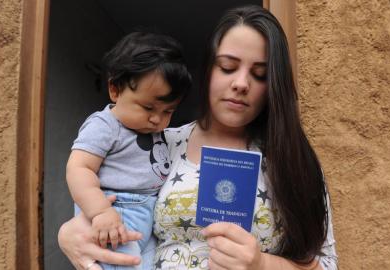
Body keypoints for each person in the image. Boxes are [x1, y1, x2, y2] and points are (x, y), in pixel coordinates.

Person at [59, 5, 338, 270]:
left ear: (274, 85)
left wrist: (262, 264)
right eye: (228, 67)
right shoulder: (159, 143)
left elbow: (327, 265)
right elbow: (106, 195)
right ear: (207, 71)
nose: (241, 83)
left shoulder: (293, 158)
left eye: (260, 74)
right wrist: (69, 235)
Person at [66, 31, 192, 270]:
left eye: (168, 111)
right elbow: (78, 168)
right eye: (148, 107)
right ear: (115, 90)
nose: (157, 119)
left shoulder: (157, 132)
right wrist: (101, 211)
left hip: (147, 217)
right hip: (116, 215)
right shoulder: (104, 125)